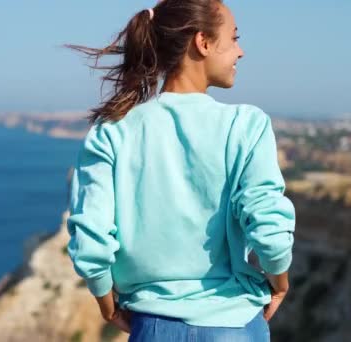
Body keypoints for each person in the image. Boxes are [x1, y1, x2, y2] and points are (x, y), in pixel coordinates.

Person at [63, 0, 295, 340]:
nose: (241, 51)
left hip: (154, 325)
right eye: (233, 38)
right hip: (235, 325)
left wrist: (105, 300)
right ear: (202, 43)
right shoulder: (246, 125)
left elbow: (91, 235)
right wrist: (280, 281)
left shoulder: (112, 130)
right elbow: (267, 224)